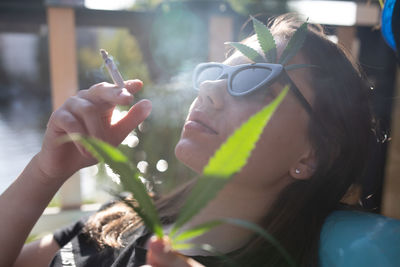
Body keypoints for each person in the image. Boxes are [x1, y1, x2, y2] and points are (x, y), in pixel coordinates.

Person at [0, 13, 380, 266]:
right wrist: (46, 172)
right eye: (214, 73)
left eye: (255, 80)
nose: (210, 89)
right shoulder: (121, 217)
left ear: (313, 153)